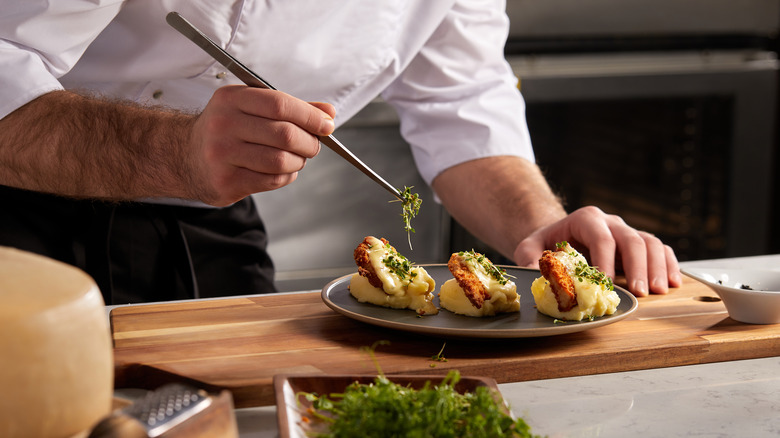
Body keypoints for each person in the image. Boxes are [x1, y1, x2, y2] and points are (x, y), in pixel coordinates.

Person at [0, 1, 680, 304]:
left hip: (207, 217)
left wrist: (537, 226)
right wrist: (173, 151)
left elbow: (461, 101)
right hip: (21, 202)